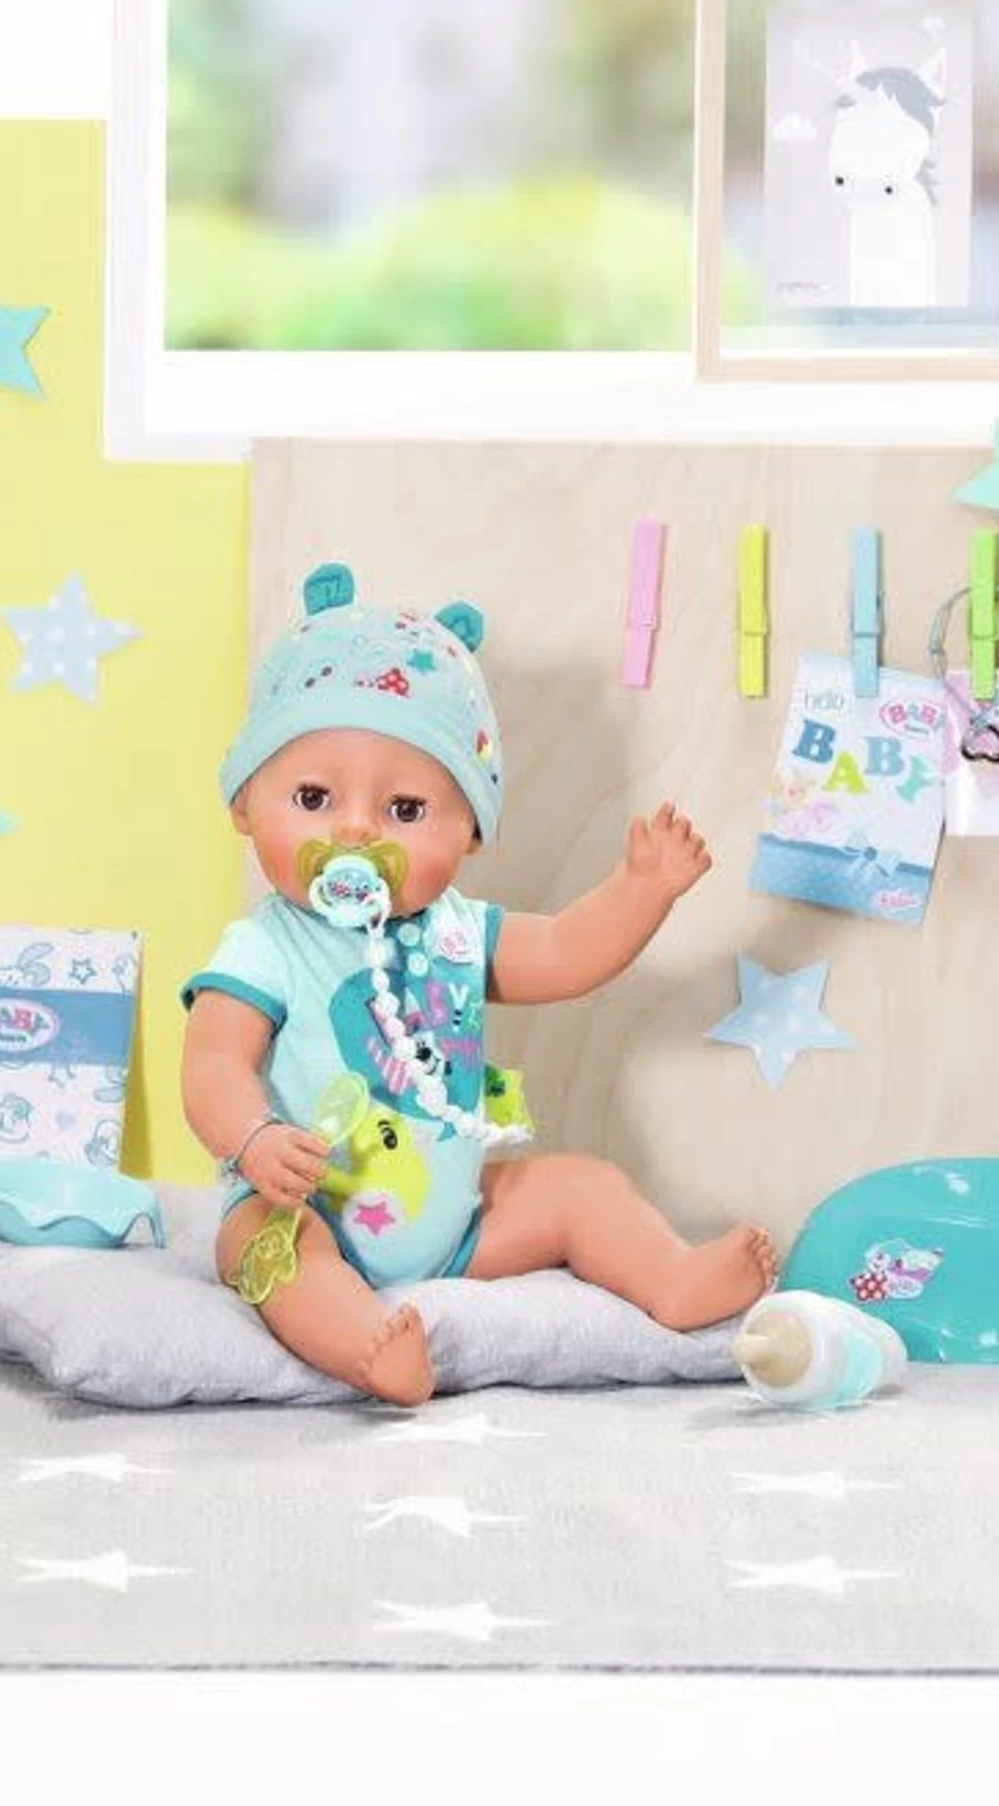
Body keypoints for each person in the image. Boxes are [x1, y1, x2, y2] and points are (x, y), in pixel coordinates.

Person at [181, 565, 777, 1405]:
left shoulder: (458, 932)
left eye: (406, 810)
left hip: (454, 1226)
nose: (355, 830)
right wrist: (253, 1138)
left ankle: (672, 1279)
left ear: (469, 834)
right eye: (314, 796)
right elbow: (213, 1063)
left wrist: (643, 890)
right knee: (270, 1255)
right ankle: (363, 1346)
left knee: (580, 1188)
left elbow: (568, 952)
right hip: (303, 1206)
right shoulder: (265, 947)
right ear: (245, 804)